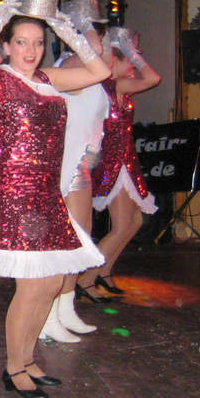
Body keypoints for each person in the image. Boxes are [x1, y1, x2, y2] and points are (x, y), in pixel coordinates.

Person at [0, 0, 109, 398]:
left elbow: (99, 71)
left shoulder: (48, 79)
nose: (31, 50)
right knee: (31, 286)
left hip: (49, 193)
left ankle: (27, 358)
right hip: (18, 194)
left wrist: (64, 29)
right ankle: (13, 367)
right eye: (22, 42)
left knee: (54, 280)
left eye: (39, 43)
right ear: (7, 46)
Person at [38, 0, 113, 344]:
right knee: (69, 242)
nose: (102, 40)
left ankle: (65, 308)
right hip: (67, 166)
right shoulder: (72, 63)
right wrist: (81, 23)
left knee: (79, 239)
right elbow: (95, 50)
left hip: (79, 163)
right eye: (95, 31)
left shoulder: (86, 68)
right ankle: (49, 315)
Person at [78, 29, 162, 302]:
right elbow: (153, 78)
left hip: (125, 159)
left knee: (134, 221)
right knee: (123, 225)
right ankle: (86, 279)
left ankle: (104, 271)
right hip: (115, 162)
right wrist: (134, 55)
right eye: (132, 59)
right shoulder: (114, 85)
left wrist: (130, 54)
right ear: (119, 59)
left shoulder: (114, 85)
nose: (135, 65)